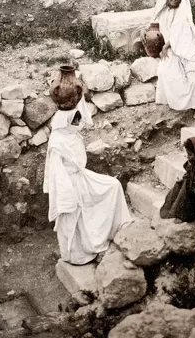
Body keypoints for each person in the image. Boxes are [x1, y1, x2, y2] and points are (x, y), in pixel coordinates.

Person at [43, 97, 132, 265]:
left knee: (113, 185)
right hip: (68, 185)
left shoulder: (72, 132)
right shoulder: (57, 142)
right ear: (67, 120)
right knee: (75, 213)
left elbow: (84, 117)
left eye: (78, 118)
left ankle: (114, 229)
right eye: (75, 119)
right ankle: (79, 254)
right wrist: (67, 197)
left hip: (81, 176)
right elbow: (57, 174)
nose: (78, 122)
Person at [147, 0, 195, 125]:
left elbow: (178, 36)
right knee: (165, 72)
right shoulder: (163, 12)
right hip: (170, 48)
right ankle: (171, 104)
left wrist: (165, 47)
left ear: (181, 0)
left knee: (193, 76)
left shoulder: (182, 14)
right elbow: (154, 27)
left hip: (184, 49)